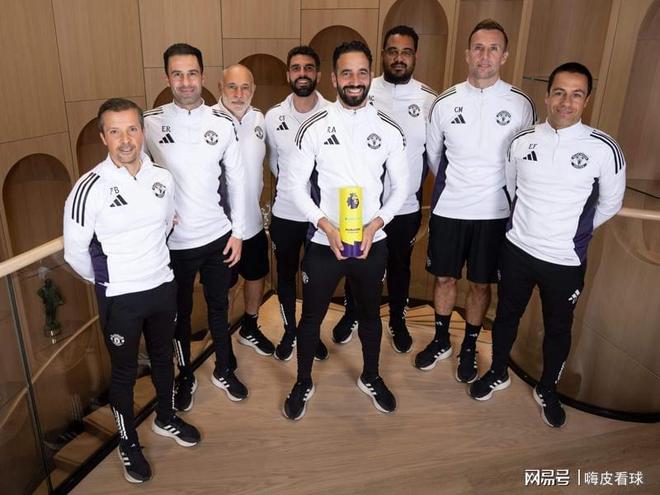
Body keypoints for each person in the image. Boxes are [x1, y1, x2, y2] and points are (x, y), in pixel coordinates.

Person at [469, 62, 626, 428]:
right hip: (517, 251)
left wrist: (575, 233)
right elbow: (512, 188)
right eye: (559, 93)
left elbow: (610, 203)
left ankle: (547, 389)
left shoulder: (604, 148)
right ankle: (498, 372)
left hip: (565, 260)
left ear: (587, 100)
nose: (566, 102)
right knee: (506, 317)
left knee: (558, 329)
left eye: (576, 95)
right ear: (547, 95)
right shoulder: (522, 140)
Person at [63, 98, 200, 483]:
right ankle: (128, 443)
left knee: (163, 358)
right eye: (115, 131)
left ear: (142, 131)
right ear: (103, 137)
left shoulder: (162, 178)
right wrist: (111, 281)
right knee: (124, 373)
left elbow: (167, 224)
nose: (125, 140)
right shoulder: (88, 187)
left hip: (162, 287)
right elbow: (74, 252)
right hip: (120, 298)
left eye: (132, 129)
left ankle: (166, 417)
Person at [282, 41, 408, 420]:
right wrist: (323, 224)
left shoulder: (388, 128)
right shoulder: (314, 126)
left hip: (371, 242)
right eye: (347, 73)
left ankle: (371, 376)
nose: (355, 80)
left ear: (371, 76)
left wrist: (376, 224)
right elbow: (294, 186)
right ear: (334, 79)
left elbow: (401, 188)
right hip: (325, 242)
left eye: (362, 72)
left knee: (370, 315)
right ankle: (303, 381)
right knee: (311, 318)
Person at [420, 19, 536, 383]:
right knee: (444, 279)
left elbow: (523, 160)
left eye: (493, 49)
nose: (485, 56)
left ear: (504, 56)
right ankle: (441, 339)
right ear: (467, 54)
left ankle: (469, 344)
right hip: (450, 209)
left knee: (481, 285)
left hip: (494, 214)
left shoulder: (521, 104)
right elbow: (435, 157)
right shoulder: (444, 102)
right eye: (478, 48)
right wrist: (457, 187)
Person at [143, 43, 247, 411]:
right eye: (177, 74)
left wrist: (238, 232)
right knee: (180, 316)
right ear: (167, 78)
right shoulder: (149, 123)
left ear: (203, 76)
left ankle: (224, 368)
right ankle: (185, 374)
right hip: (173, 245)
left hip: (218, 237)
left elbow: (237, 180)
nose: (185, 82)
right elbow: (137, 176)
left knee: (219, 307)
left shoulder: (222, 122)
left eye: (192, 74)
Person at [332, 25, 437, 354]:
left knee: (399, 265)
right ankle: (352, 312)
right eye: (392, 51)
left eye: (406, 52)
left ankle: (397, 319)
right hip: (361, 205)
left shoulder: (429, 100)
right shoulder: (363, 88)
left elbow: (434, 156)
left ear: (415, 56)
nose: (399, 58)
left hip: (404, 205)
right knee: (357, 263)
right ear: (383, 55)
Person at [264, 45, 330, 362]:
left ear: (318, 74)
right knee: (286, 276)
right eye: (296, 68)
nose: (302, 73)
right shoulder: (273, 116)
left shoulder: (334, 113)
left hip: (321, 216)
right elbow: (274, 162)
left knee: (316, 280)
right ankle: (290, 331)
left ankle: (310, 333)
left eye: (308, 68)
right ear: (288, 74)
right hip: (286, 213)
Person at [213, 64, 276, 357]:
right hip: (221, 228)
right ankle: (221, 341)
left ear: (253, 90)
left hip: (252, 222)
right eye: (232, 87)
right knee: (223, 286)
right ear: (220, 88)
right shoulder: (208, 120)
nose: (238, 94)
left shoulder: (259, 119)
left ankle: (249, 327)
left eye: (245, 88)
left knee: (256, 274)